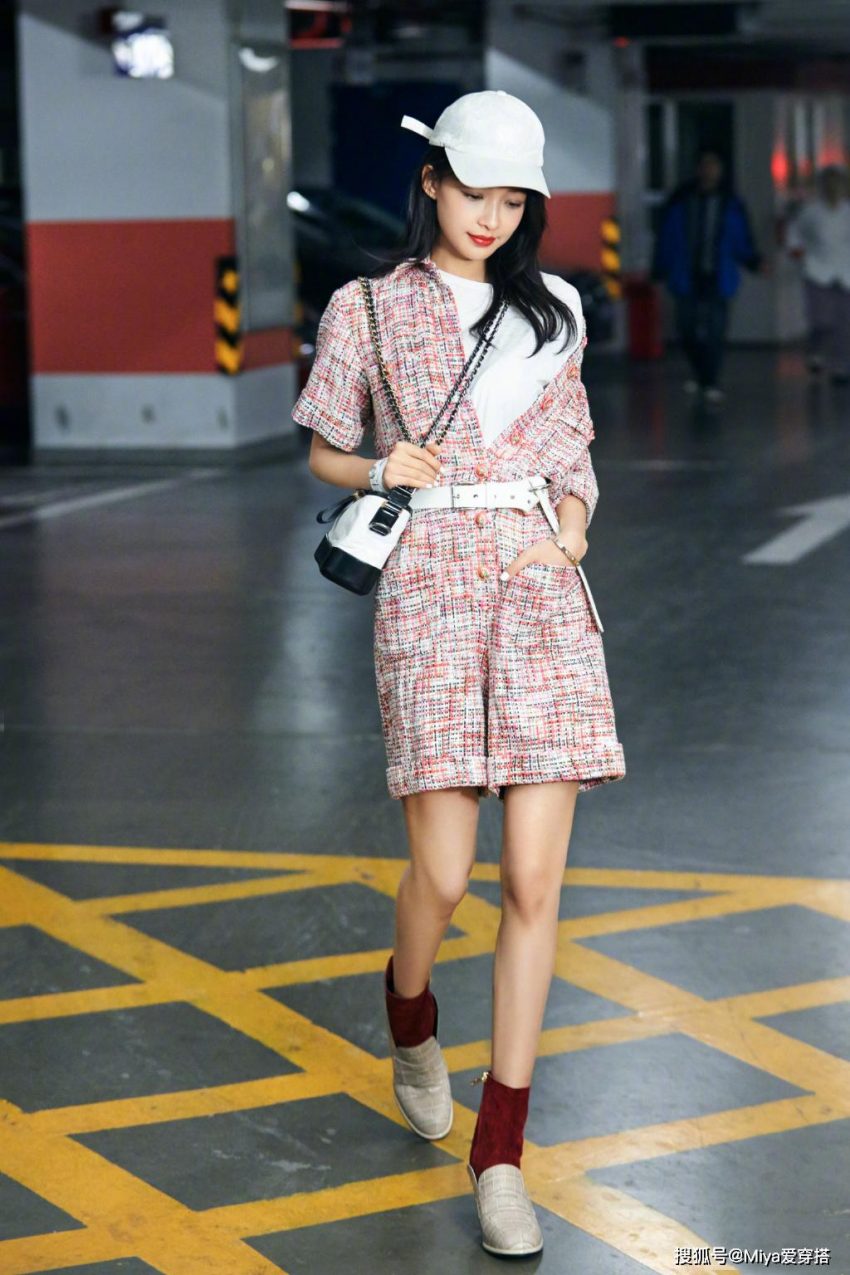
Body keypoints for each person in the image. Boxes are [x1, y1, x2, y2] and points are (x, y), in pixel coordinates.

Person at [292, 89, 626, 1257]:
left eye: (512, 201)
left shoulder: (556, 310)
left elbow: (574, 453)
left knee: (533, 884)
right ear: (430, 180)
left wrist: (569, 535)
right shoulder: (368, 308)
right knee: (441, 875)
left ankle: (501, 1153)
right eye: (472, 191)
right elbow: (325, 448)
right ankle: (409, 1009)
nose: (490, 217)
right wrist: (382, 465)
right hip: (429, 590)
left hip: (537, 591)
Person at [651, 146, 762, 403]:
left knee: (715, 330)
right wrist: (660, 267)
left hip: (718, 275)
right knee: (686, 327)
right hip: (686, 273)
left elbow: (740, 238)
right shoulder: (681, 201)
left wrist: (753, 261)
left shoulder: (730, 203)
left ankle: (710, 379)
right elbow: (667, 237)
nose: (710, 170)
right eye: (705, 165)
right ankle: (701, 372)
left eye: (714, 165)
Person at [785, 164, 850, 385]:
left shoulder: (848, 212)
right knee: (821, 320)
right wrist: (798, 252)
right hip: (817, 271)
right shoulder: (811, 212)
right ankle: (815, 351)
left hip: (845, 273)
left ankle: (841, 367)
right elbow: (795, 233)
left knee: (844, 323)